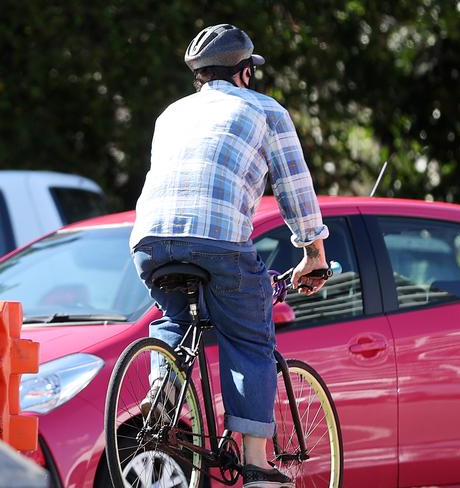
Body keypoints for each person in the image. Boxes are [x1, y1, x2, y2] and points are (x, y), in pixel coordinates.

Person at [129, 23, 329, 488]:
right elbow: (294, 189)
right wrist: (313, 253)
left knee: (175, 318)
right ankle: (257, 463)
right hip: (217, 243)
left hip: (148, 243)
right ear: (244, 73)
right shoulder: (264, 110)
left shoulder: (170, 114)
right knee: (250, 338)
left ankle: (163, 392)